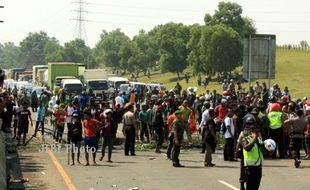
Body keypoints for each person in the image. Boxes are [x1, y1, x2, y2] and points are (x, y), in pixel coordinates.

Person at [241, 123, 264, 190]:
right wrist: (254, 139)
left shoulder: (259, 139)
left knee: (256, 186)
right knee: (250, 187)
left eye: (258, 132)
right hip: (249, 167)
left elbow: (262, 149)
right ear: (251, 132)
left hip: (258, 166)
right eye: (256, 132)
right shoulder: (245, 139)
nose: (258, 133)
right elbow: (247, 148)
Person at [236, 117, 255, 190]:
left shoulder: (243, 132)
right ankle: (243, 184)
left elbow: (238, 142)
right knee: (245, 170)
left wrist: (236, 151)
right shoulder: (253, 132)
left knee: (244, 170)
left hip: (247, 155)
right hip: (249, 155)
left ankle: (243, 184)